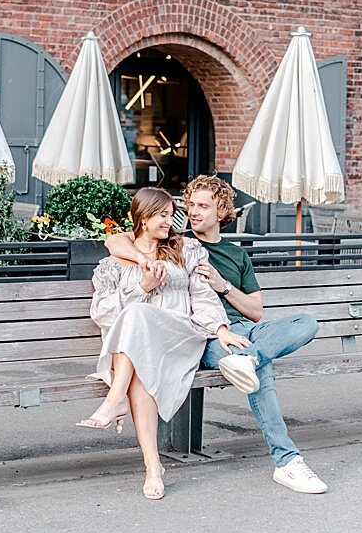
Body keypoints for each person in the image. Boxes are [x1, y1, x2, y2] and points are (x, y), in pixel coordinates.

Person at [107, 175, 327, 494]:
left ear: (221, 210)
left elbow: (255, 310)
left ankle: (248, 358)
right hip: (205, 337)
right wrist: (144, 260)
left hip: (247, 331)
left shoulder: (237, 255)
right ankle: (288, 461)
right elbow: (116, 241)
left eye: (202, 206)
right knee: (260, 371)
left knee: (306, 322)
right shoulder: (174, 242)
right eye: (190, 205)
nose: (193, 212)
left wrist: (222, 285)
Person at [77, 187, 247, 501]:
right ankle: (153, 466)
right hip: (139, 350)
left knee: (139, 313)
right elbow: (103, 314)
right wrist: (142, 286)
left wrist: (221, 329)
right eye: (162, 215)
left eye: (171, 214)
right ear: (142, 216)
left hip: (181, 337)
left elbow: (204, 295)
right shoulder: (113, 263)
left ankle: (114, 402)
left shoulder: (185, 249)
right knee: (140, 364)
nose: (170, 221)